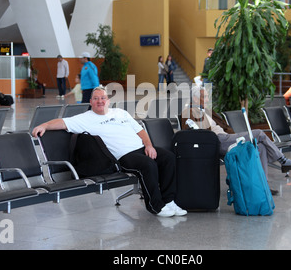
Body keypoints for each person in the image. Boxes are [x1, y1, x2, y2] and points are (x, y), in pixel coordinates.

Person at [31, 86, 186, 218]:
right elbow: (62, 122)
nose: (100, 101)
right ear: (91, 102)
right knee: (147, 165)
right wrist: (44, 125)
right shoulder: (85, 118)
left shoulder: (120, 113)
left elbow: (140, 131)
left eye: (103, 98)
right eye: (96, 98)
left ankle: (169, 201)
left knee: (168, 158)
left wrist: (149, 146)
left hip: (141, 148)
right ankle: (156, 206)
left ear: (108, 101)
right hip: (122, 157)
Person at [181, 86, 291, 192]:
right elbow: (190, 132)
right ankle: (283, 161)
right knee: (259, 133)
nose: (208, 100)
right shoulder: (189, 112)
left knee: (261, 147)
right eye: (205, 97)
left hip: (226, 138)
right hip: (216, 141)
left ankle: (263, 186)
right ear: (196, 99)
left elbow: (225, 126)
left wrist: (234, 137)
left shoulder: (208, 110)